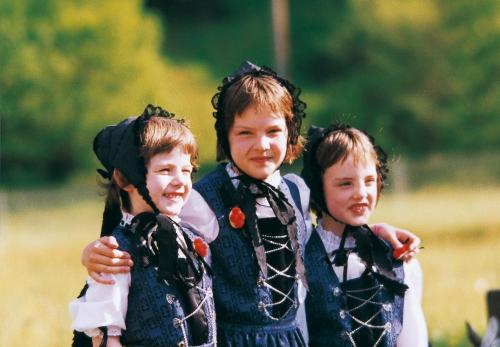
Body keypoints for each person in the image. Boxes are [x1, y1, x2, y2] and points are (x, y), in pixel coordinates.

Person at [79, 62, 421, 346]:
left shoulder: (297, 192)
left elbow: (326, 231)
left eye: (273, 131)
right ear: (226, 137)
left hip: (291, 339)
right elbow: (147, 230)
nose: (261, 145)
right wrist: (94, 250)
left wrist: (377, 230)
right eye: (245, 133)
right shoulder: (200, 198)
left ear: (290, 133)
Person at [69, 105, 216, 347]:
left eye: (187, 171)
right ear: (125, 178)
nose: (180, 180)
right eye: (166, 170)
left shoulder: (189, 232)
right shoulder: (116, 254)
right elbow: (107, 339)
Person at [301, 124, 428, 346]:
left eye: (369, 181)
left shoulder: (396, 260)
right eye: (345, 184)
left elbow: (413, 340)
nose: (361, 193)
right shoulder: (301, 262)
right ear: (318, 188)